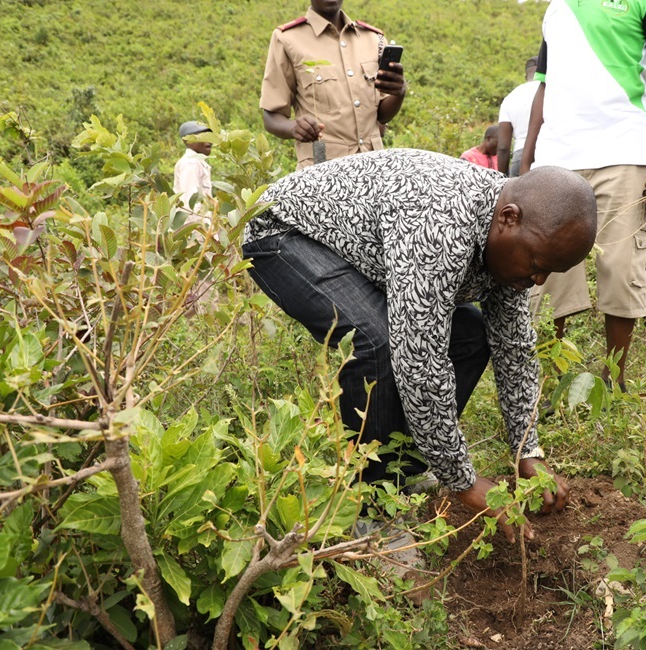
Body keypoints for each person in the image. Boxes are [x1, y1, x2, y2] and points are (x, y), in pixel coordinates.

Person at [242, 149, 597, 541]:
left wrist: (528, 454)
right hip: (283, 232)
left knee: (471, 337)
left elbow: (513, 349)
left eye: (551, 271)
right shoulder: (441, 227)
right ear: (508, 218)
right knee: (375, 342)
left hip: (361, 250)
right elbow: (420, 366)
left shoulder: (516, 239)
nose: (539, 278)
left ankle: (401, 472)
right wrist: (464, 482)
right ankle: (370, 501)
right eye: (536, 263)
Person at [520, 0, 646, 390]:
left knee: (620, 266)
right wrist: (528, 157)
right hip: (555, 158)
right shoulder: (557, 6)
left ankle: (614, 382)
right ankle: (550, 382)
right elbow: (545, 84)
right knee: (546, 274)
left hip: (623, 151)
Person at [259, 0, 407, 169]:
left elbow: (382, 117)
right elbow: (271, 118)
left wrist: (399, 92)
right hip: (322, 173)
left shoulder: (373, 39)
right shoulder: (287, 39)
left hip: (373, 170)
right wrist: (294, 127)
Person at [497, 57, 539, 177]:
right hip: (549, 155)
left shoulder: (511, 98)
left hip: (520, 158)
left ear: (526, 75)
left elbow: (503, 147)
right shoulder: (551, 90)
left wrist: (502, 180)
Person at [173, 121, 213, 217]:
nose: (209, 141)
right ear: (188, 141)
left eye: (209, 136)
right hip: (196, 230)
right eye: (202, 137)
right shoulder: (190, 163)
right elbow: (190, 206)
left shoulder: (196, 162)